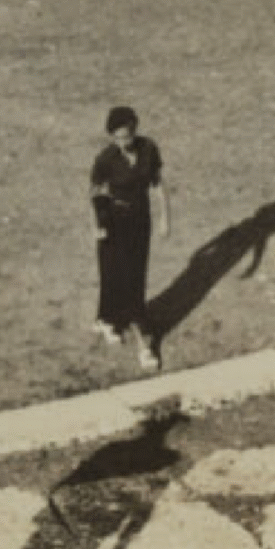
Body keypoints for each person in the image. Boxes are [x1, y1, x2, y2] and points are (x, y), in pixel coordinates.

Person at [89, 105, 171, 371]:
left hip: (140, 221)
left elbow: (157, 184)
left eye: (127, 136)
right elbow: (96, 191)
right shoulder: (105, 159)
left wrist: (165, 217)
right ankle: (144, 345)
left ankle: (106, 319)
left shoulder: (149, 149)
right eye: (117, 137)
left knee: (136, 274)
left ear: (135, 129)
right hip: (114, 222)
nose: (123, 142)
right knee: (117, 276)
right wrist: (100, 223)